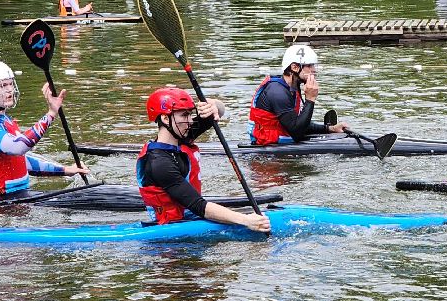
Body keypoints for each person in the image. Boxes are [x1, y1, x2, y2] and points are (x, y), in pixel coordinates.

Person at [136, 87, 272, 232]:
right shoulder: (159, 163)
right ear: (165, 118)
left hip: (190, 217)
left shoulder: (182, 136)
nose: (190, 121)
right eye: (184, 115)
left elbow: (219, 111)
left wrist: (212, 105)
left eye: (190, 114)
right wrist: (246, 221)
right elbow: (199, 206)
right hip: (171, 234)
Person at [0, 61, 88, 201]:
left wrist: (65, 170)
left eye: (10, 84)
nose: (10, 90)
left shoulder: (4, 120)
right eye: (3, 85)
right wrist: (51, 113)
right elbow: (17, 148)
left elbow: (20, 161)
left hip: (16, 199)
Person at [248, 43, 349, 145]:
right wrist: (310, 99)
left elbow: (298, 123)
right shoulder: (278, 92)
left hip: (283, 140)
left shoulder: (291, 88)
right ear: (295, 67)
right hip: (268, 152)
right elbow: (297, 132)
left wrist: (330, 128)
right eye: (309, 66)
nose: (314, 70)